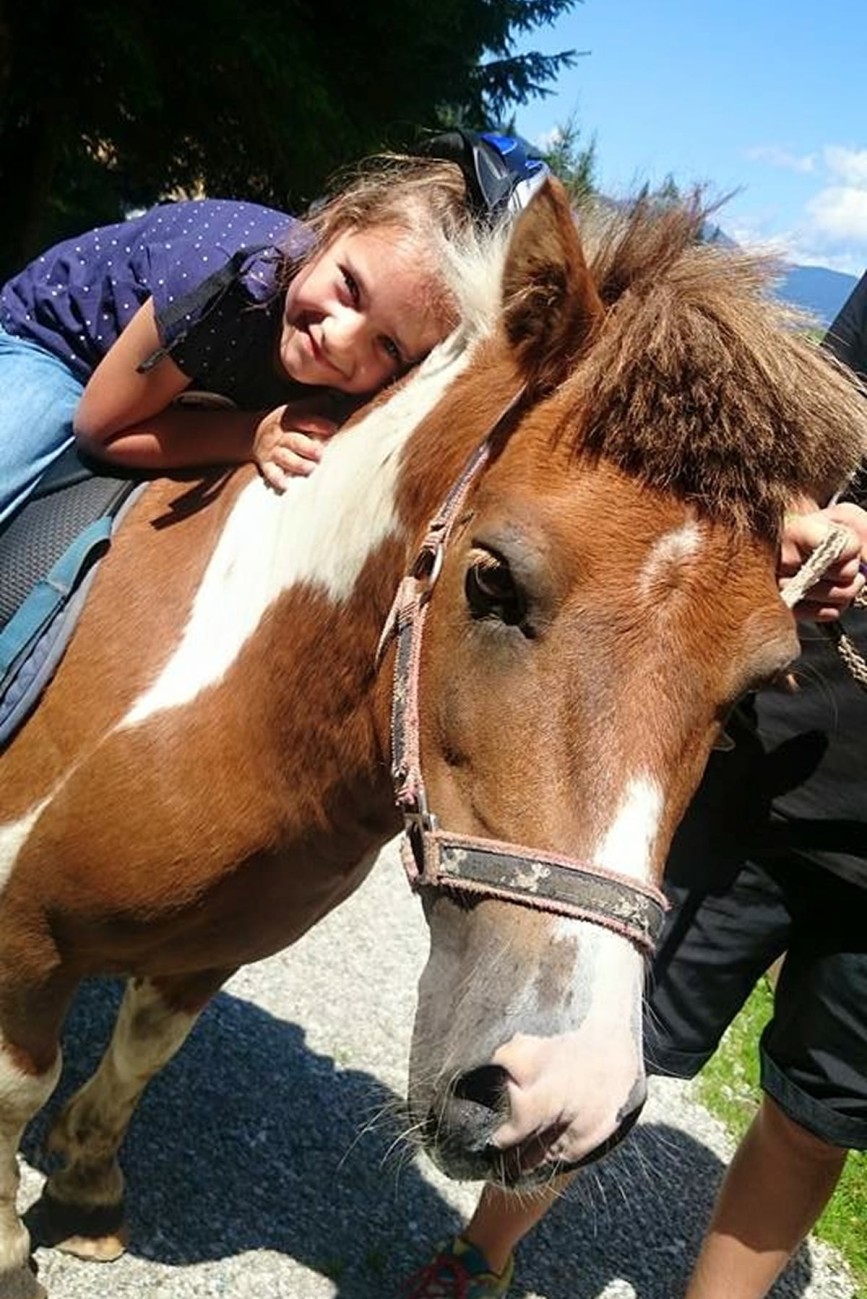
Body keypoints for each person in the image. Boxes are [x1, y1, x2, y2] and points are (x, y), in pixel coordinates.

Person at [400, 274, 867, 1299]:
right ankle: (486, 1248)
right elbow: (797, 453)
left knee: (818, 1112)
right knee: (603, 1009)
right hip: (770, 759)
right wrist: (809, 522)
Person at [0, 152, 472, 526]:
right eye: (350, 286)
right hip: (56, 345)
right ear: (336, 226)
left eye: (388, 346)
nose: (341, 341)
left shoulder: (327, 354)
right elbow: (100, 431)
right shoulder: (227, 282)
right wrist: (251, 434)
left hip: (180, 384)